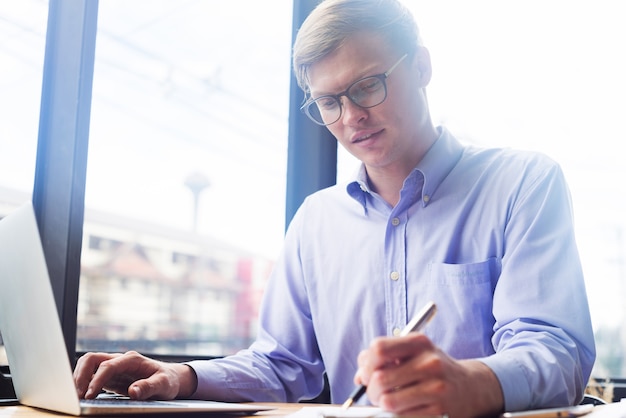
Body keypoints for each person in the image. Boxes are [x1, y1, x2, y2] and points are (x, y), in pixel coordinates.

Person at [73, 0, 596, 417]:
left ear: (421, 66)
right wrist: (181, 376)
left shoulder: (522, 183)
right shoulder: (315, 222)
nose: (351, 118)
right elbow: (283, 365)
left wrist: (470, 384)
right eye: (329, 102)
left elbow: (556, 352)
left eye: (367, 85)